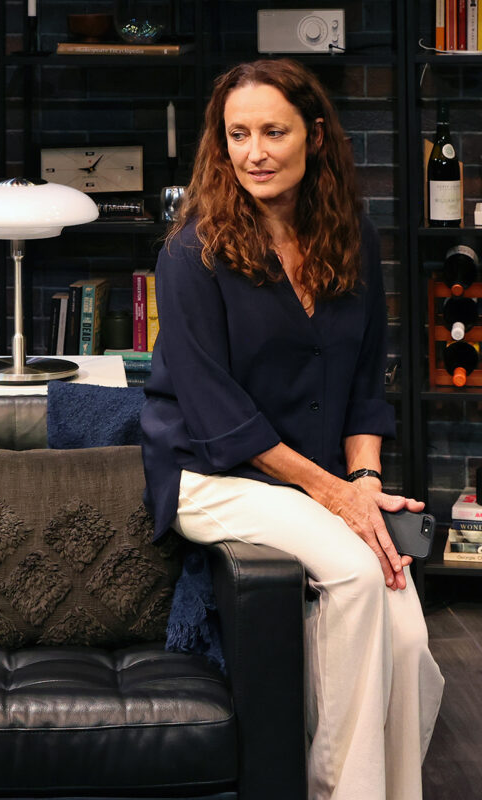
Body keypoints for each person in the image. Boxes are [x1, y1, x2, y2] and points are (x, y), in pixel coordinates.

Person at [140, 59, 444, 799]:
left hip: (316, 480)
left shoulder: (352, 238)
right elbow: (217, 415)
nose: (254, 153)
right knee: (355, 575)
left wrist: (363, 483)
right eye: (237, 134)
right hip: (210, 473)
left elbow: (364, 385)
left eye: (273, 132)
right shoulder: (190, 254)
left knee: (409, 641)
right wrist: (337, 497)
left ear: (314, 135)